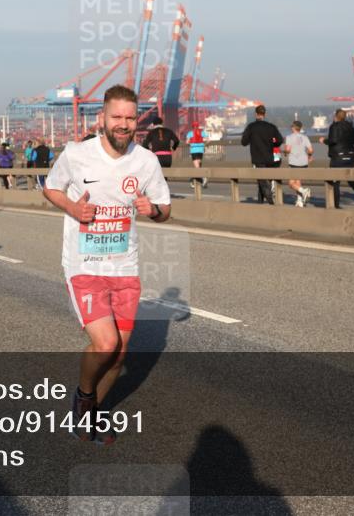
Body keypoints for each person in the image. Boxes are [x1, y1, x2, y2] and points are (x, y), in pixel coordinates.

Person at [42, 84, 171, 445]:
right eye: (116, 117)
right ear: (102, 118)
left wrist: (154, 211)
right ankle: (84, 398)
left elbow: (165, 210)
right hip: (84, 265)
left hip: (124, 268)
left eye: (130, 118)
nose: (123, 124)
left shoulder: (145, 161)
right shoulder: (76, 154)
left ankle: (93, 412)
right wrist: (72, 208)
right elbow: (51, 187)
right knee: (105, 343)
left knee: (119, 356)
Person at [319, 109, 354, 210]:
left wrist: (324, 141)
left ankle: (336, 205)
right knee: (351, 180)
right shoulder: (350, 126)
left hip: (338, 157)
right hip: (351, 156)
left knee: (335, 182)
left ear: (336, 116)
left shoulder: (334, 126)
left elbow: (333, 140)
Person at [241, 105, 284, 204]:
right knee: (262, 183)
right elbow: (280, 140)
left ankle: (271, 203)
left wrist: (251, 139)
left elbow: (243, 142)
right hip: (270, 159)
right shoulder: (271, 127)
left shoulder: (251, 127)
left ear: (256, 114)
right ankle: (260, 205)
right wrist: (273, 144)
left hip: (258, 160)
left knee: (262, 183)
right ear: (264, 114)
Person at [283, 121, 313, 207]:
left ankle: (304, 191)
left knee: (291, 183)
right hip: (304, 162)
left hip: (294, 162)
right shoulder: (305, 137)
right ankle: (299, 201)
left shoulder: (289, 137)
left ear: (293, 128)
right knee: (298, 181)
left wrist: (284, 152)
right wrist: (309, 156)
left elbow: (288, 150)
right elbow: (310, 150)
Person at [185, 122, 209, 189]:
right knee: (198, 166)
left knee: (197, 167)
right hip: (201, 150)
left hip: (194, 150)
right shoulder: (202, 132)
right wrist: (204, 144)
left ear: (192, 127)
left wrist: (190, 144)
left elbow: (187, 142)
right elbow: (208, 140)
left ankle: (202, 178)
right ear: (198, 126)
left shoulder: (190, 133)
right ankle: (195, 181)